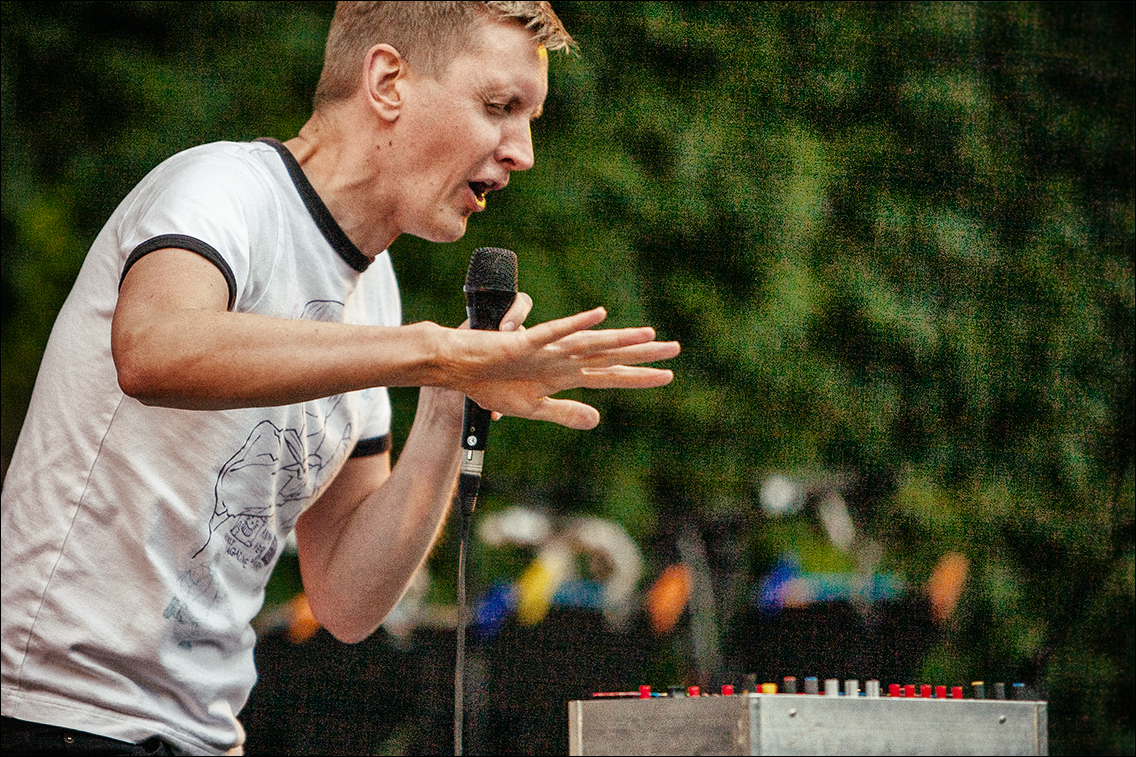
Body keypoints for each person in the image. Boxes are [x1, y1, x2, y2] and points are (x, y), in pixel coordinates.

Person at [0, 2, 680, 754]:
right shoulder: (220, 190)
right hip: (53, 716)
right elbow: (153, 347)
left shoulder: (375, 289)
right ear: (388, 81)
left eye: (529, 119)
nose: (522, 151)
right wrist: (432, 352)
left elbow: (348, 598)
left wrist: (449, 406)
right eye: (498, 107)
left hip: (201, 735)